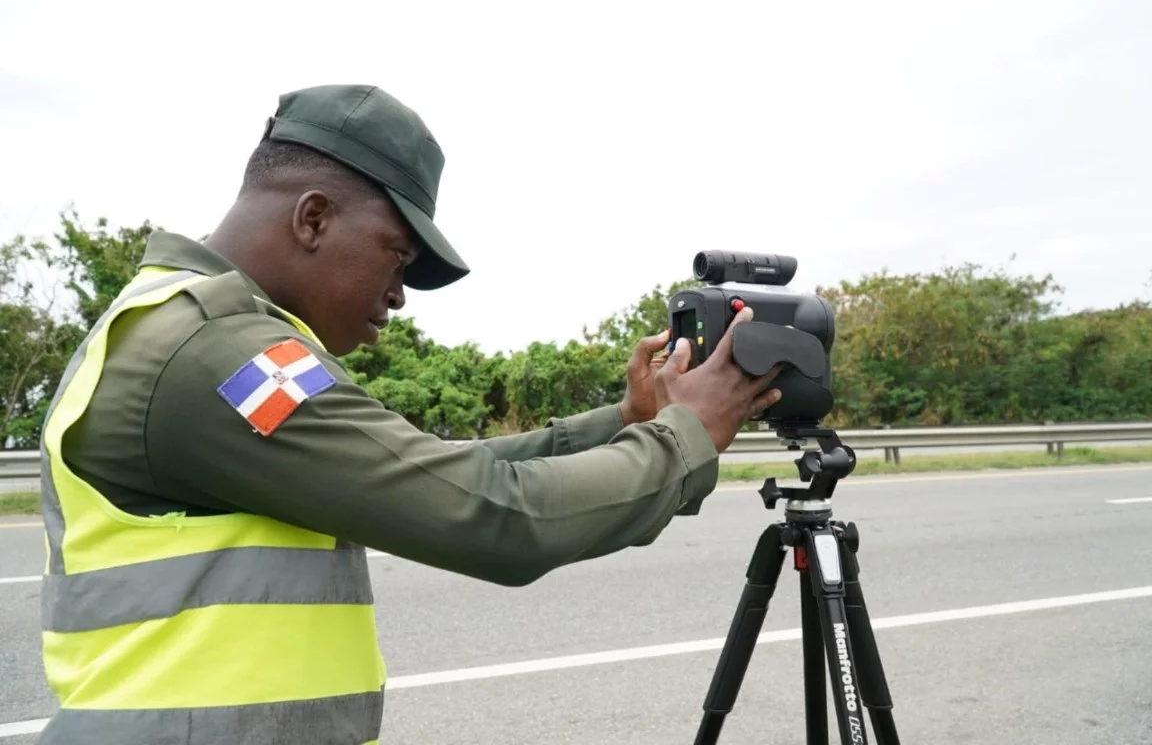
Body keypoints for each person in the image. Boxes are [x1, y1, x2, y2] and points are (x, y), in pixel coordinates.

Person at [37, 83, 783, 744]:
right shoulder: (218, 354)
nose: (398, 295)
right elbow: (496, 519)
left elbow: (434, 472)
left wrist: (625, 421)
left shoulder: (198, 332)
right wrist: (683, 437)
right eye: (396, 258)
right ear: (313, 218)